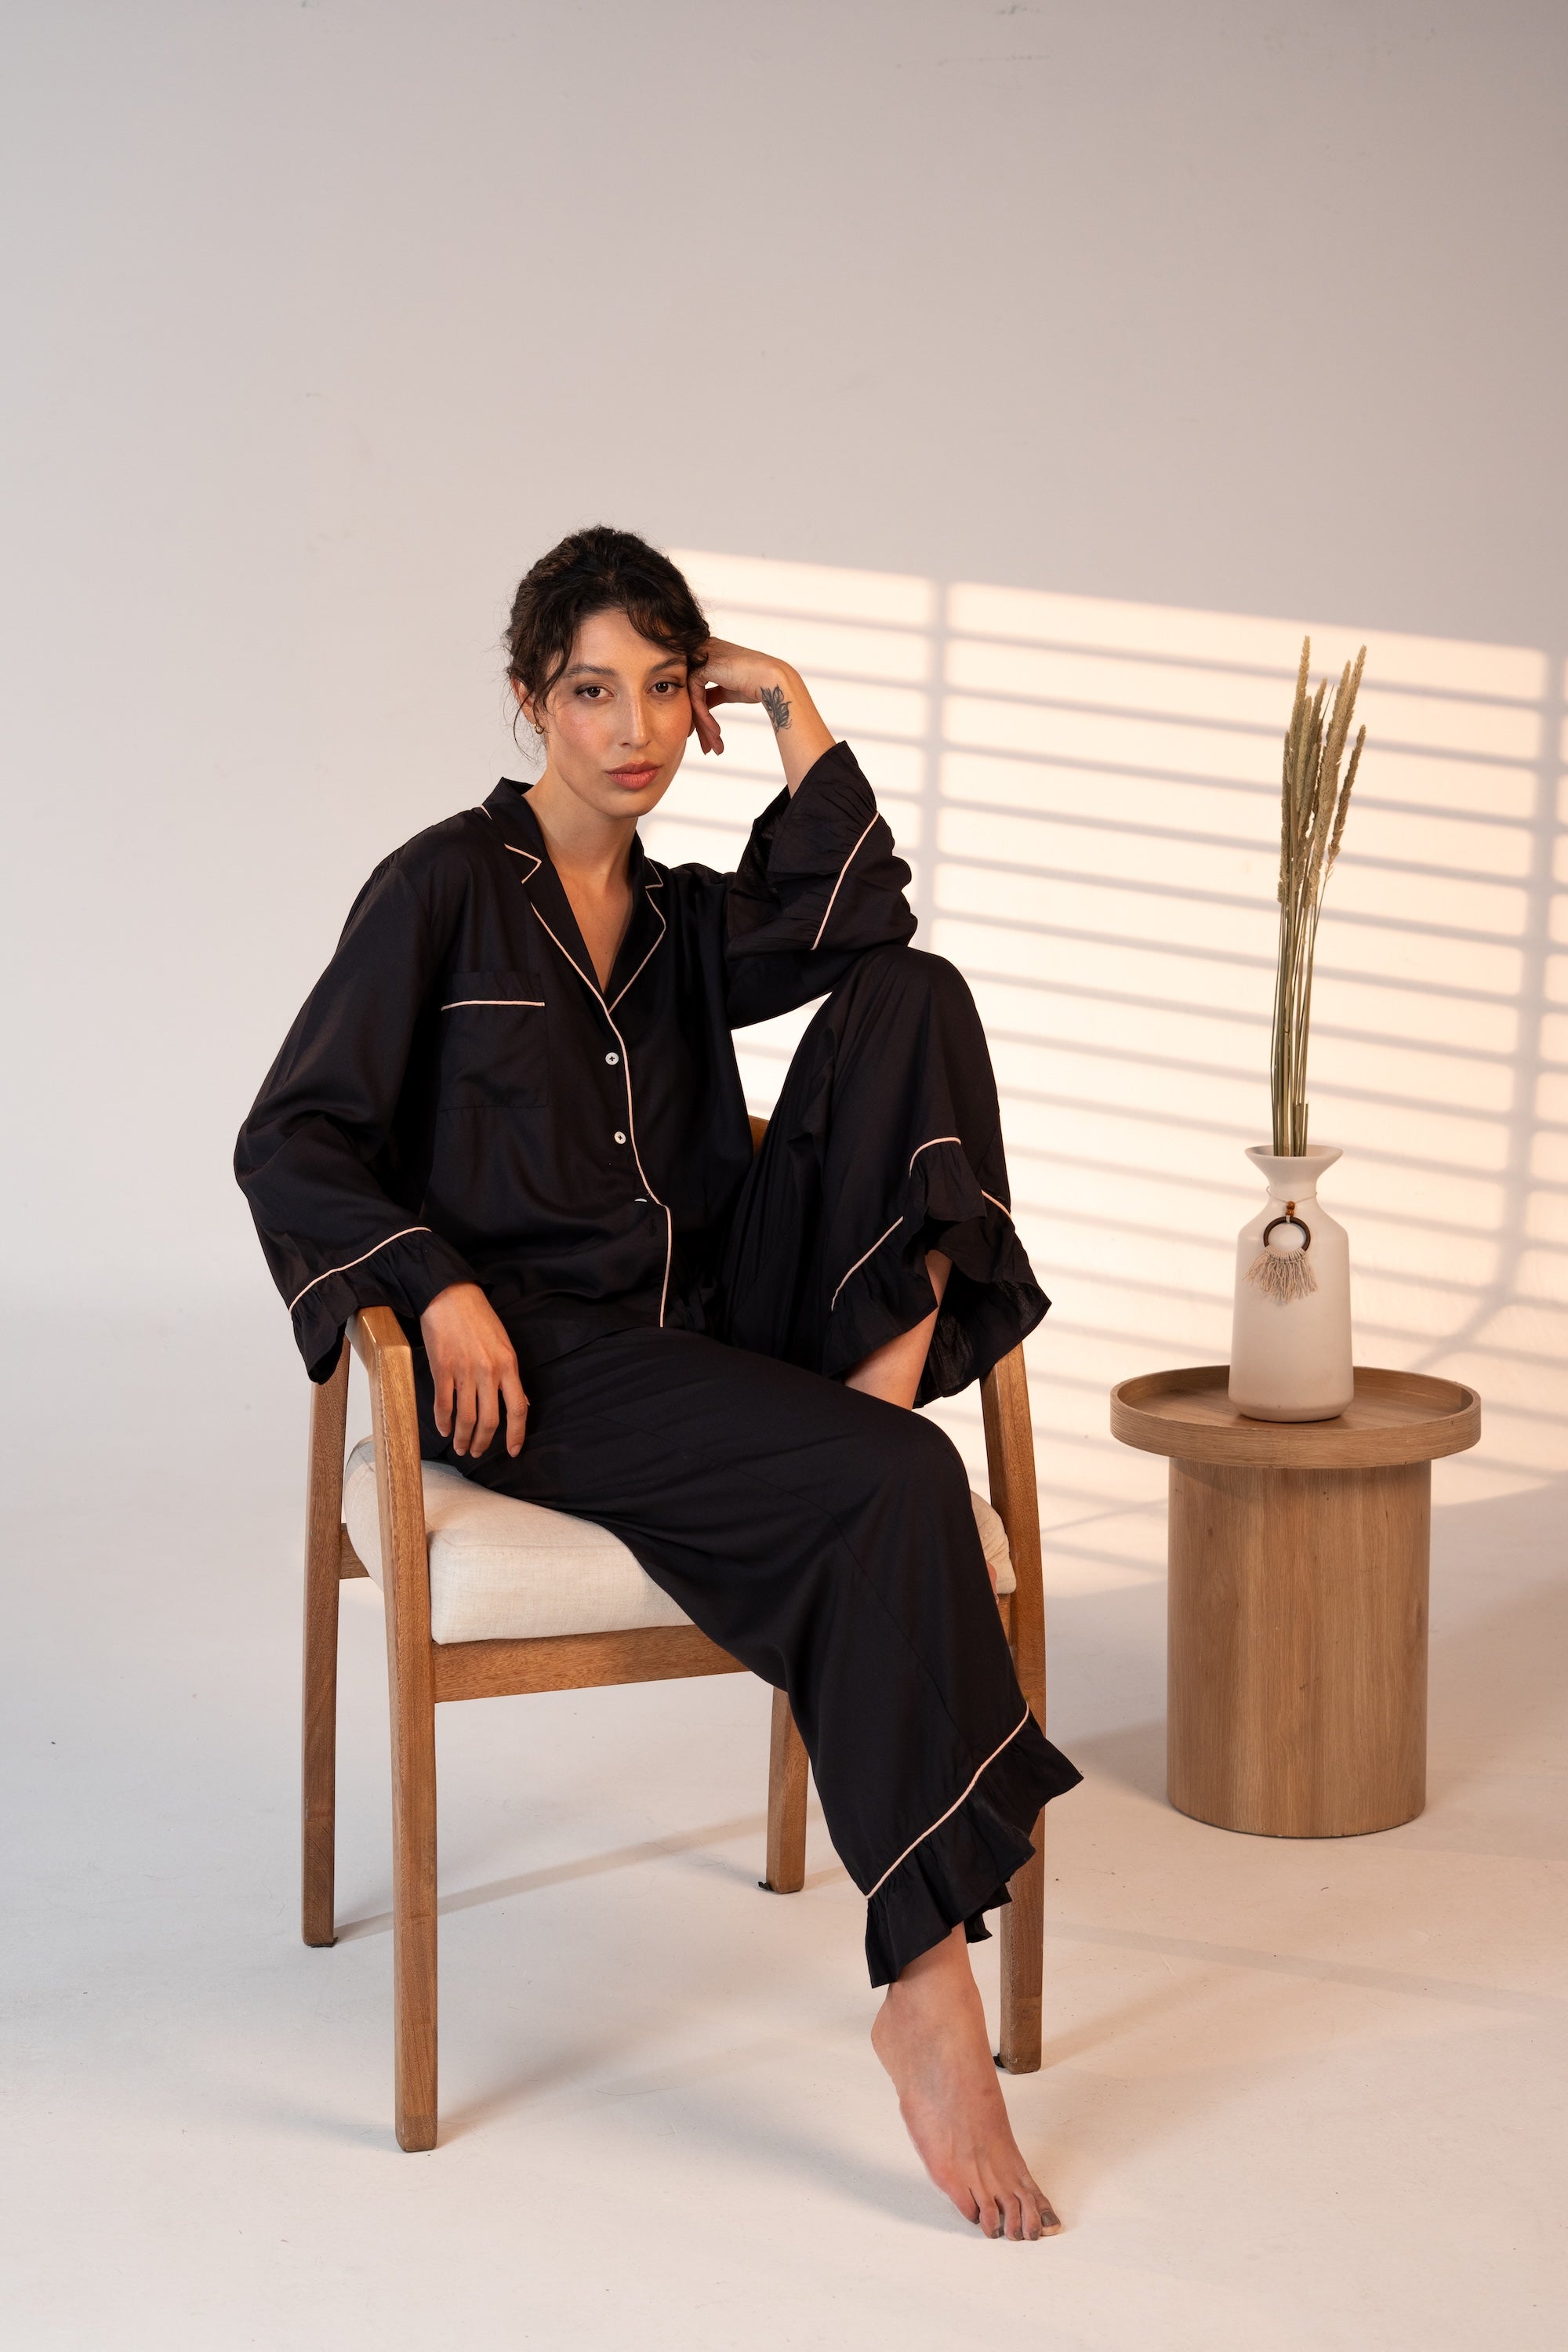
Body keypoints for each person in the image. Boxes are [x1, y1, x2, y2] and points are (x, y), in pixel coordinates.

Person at [236, 526, 1080, 2239]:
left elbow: (865, 914)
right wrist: (435, 1282)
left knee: (915, 993)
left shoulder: (689, 920)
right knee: (898, 1488)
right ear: (531, 700)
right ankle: (925, 1990)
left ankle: (855, 1417)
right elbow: (290, 1137)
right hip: (546, 1364)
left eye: (666, 687)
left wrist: (787, 697)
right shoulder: (438, 891)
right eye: (592, 690)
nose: (631, 726)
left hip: (711, 1317)